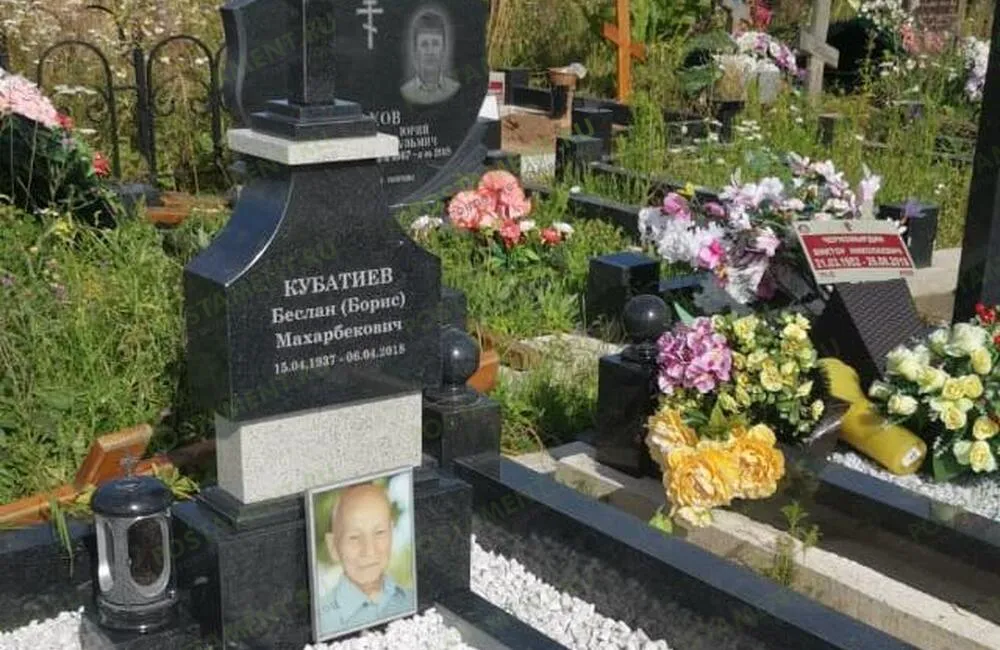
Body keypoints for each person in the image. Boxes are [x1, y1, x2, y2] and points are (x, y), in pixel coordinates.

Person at [318, 482, 413, 635]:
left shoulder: (412, 601)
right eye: (354, 537)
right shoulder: (321, 620)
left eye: (380, 532)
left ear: (391, 535)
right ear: (333, 546)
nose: (369, 551)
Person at [400, 10, 460, 105]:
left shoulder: (455, 89)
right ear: (415, 51)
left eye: (435, 44)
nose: (430, 51)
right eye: (424, 44)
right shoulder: (405, 92)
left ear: (443, 49)